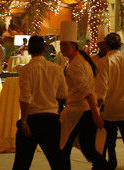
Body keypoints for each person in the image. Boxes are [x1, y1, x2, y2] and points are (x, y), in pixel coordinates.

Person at [59, 21, 108, 170]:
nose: (62, 48)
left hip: (80, 111)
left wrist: (95, 114)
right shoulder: (79, 59)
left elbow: (87, 91)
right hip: (82, 110)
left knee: (64, 148)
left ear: (73, 45)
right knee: (88, 148)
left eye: (65, 45)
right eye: (61, 44)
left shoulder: (76, 64)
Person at [13, 35, 67, 170]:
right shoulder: (56, 69)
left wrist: (24, 121)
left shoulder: (26, 69)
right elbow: (63, 94)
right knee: (57, 162)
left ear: (29, 51)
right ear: (44, 49)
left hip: (33, 119)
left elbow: (25, 98)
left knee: (22, 162)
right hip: (51, 118)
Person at [97, 32, 124, 170]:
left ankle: (111, 164)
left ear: (106, 45)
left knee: (109, 142)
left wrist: (97, 108)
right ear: (120, 45)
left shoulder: (104, 62)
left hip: (111, 109)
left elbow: (101, 89)